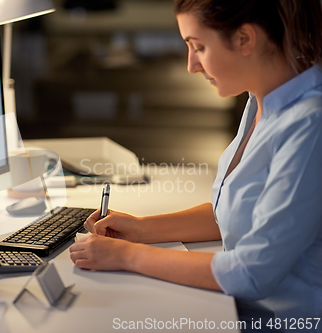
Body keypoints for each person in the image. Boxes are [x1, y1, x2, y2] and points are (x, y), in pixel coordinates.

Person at [69, 0, 322, 331]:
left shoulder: (309, 125)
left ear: (245, 39)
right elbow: (236, 213)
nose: (191, 65)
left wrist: (127, 257)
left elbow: (251, 274)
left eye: (198, 47)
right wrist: (142, 229)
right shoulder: (260, 101)